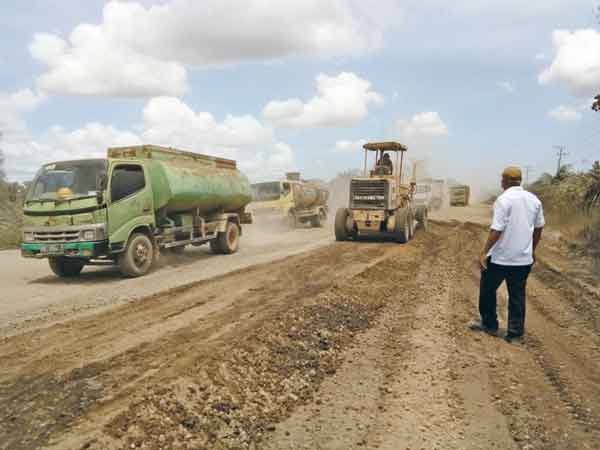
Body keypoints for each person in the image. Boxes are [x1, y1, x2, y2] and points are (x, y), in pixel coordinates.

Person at [469, 166, 545, 343]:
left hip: (500, 258)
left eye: (502, 179)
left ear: (505, 180)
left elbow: (497, 229)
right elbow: (539, 228)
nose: (501, 182)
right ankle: (515, 334)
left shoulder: (504, 200)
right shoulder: (534, 200)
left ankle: (490, 325)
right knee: (517, 296)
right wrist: (531, 250)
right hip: (522, 260)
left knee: (487, 289)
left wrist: (484, 252)